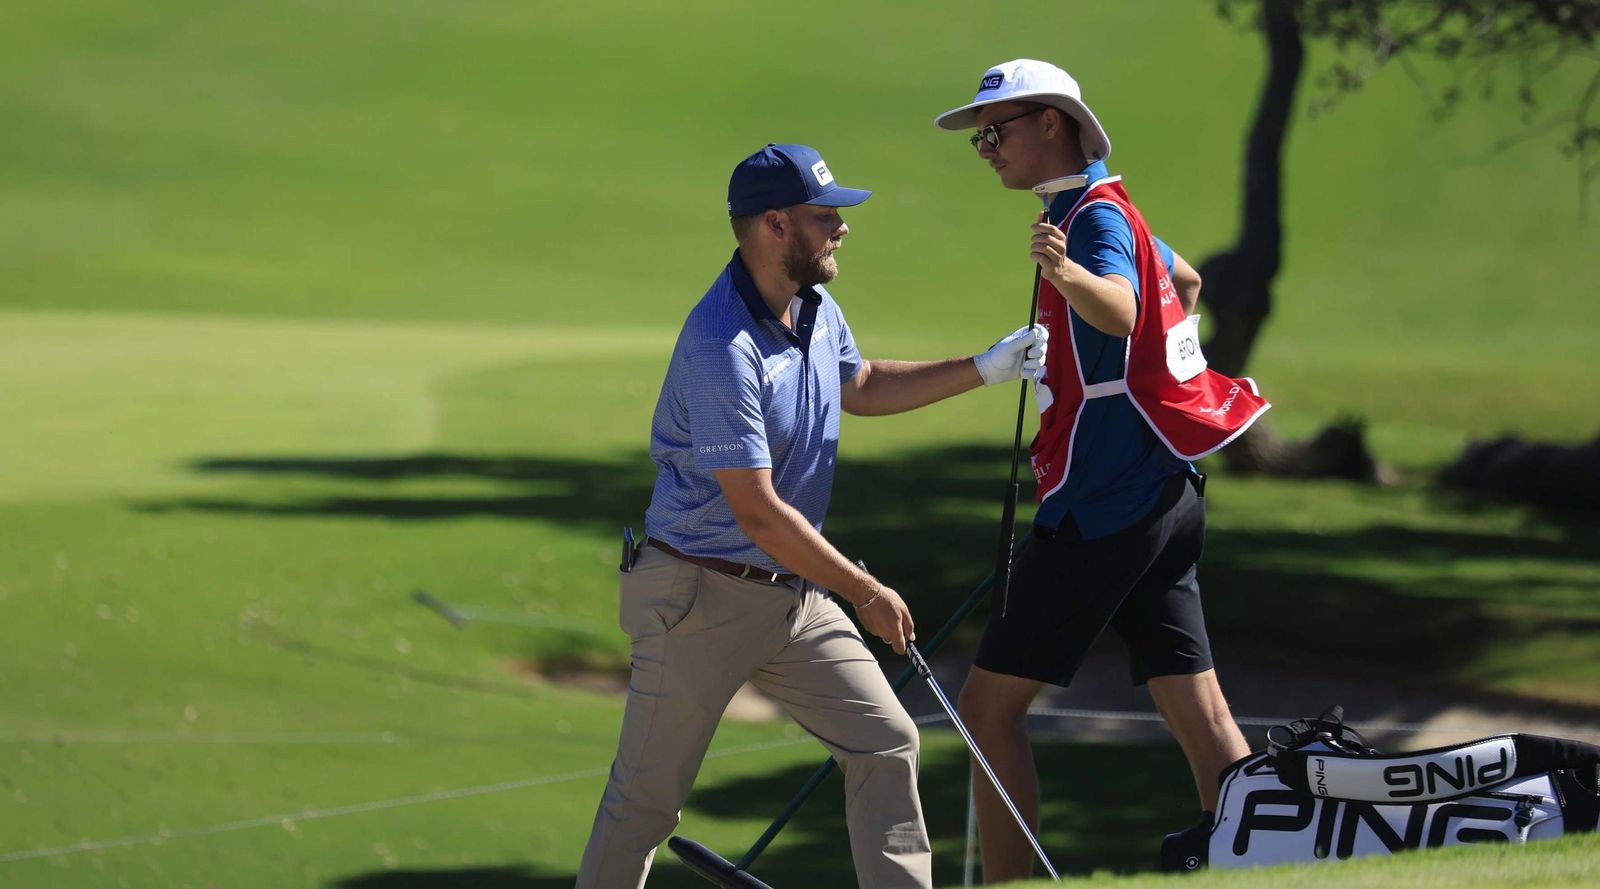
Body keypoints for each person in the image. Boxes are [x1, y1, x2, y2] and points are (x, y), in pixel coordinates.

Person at [575, 142, 1048, 889]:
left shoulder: (814, 306)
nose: (842, 228)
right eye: (825, 215)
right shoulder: (721, 343)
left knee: (886, 741)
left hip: (791, 596)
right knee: (645, 804)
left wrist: (983, 368)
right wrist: (864, 590)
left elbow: (860, 383)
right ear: (774, 224)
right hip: (698, 598)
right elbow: (758, 511)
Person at [933, 60, 1273, 883]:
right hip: (1165, 495)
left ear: (1052, 122)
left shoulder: (1086, 221)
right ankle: (1266, 865)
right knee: (1198, 707)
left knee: (985, 708)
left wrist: (1068, 276)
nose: (986, 147)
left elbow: (1122, 308)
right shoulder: (1100, 204)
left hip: (1108, 503)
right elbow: (1183, 282)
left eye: (996, 130)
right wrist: (1155, 371)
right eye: (980, 137)